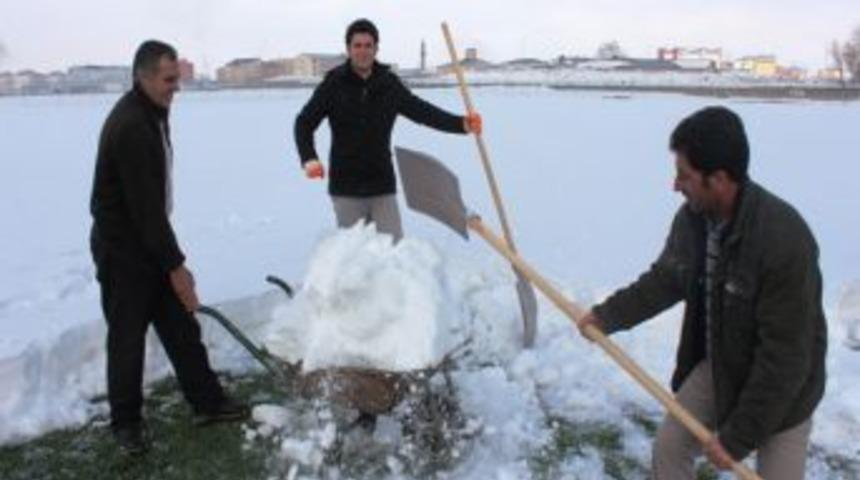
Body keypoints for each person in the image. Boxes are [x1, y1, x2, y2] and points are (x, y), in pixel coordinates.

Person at [576, 106, 827, 479]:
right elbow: (666, 278)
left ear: (720, 179)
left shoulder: (783, 241)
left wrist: (737, 438)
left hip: (784, 391)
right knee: (670, 449)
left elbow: (786, 360)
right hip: (721, 364)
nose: (674, 185)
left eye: (684, 175)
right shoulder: (693, 218)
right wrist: (608, 315)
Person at [90, 40, 248, 455]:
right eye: (169, 79)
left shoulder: (151, 112)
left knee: (180, 326)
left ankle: (208, 402)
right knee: (127, 337)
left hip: (148, 240)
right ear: (142, 77)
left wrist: (171, 266)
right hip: (123, 249)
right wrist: (177, 268)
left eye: (176, 77)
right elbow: (144, 211)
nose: (176, 86)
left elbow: (152, 212)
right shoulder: (132, 126)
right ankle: (126, 424)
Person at [294, 18, 482, 242]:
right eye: (357, 45)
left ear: (376, 49)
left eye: (368, 45)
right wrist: (309, 158)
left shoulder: (388, 84)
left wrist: (460, 124)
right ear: (348, 49)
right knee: (354, 256)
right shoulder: (334, 84)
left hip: (381, 184)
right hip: (346, 187)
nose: (363, 51)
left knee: (393, 254)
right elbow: (304, 123)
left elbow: (422, 112)